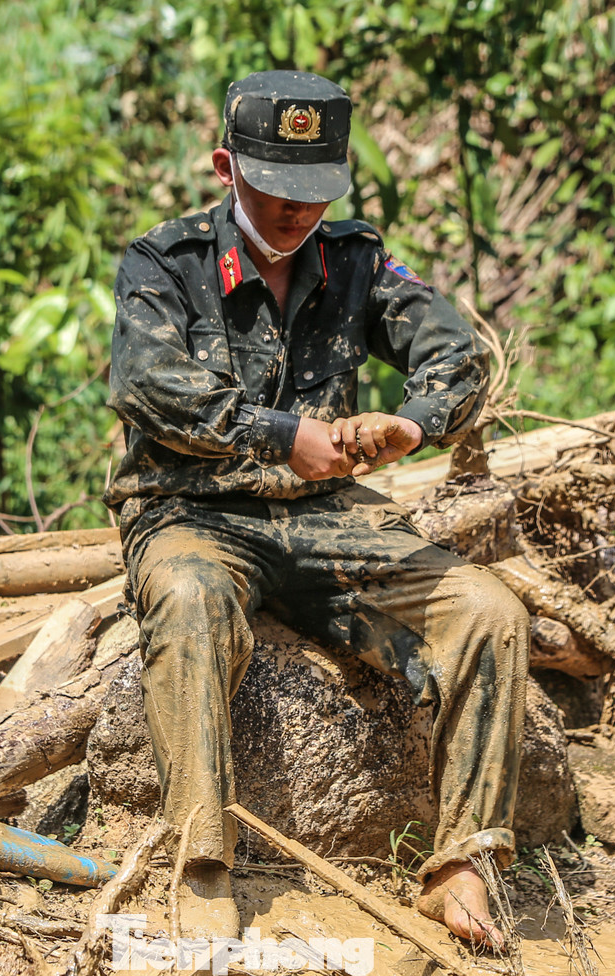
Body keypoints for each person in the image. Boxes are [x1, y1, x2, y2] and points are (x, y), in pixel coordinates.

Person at [104, 69, 530, 951]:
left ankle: (459, 864)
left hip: (322, 517)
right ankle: (202, 864)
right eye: (272, 188)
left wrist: (413, 422)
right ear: (226, 167)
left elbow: (452, 347)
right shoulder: (165, 263)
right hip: (190, 512)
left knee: (489, 613)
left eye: (314, 191)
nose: (296, 210)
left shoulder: (357, 261)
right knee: (187, 602)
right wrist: (278, 432)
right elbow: (148, 387)